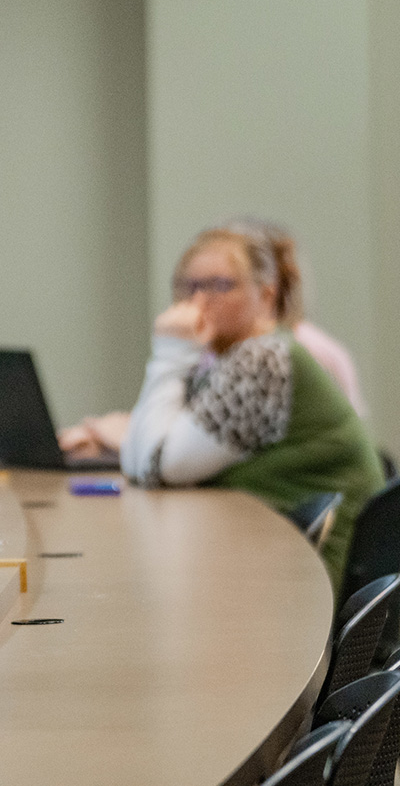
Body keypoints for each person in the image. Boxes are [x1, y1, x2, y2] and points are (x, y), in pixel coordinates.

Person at [94, 225, 383, 592]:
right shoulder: (235, 357)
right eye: (188, 287)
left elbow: (157, 468)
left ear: (265, 295)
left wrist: (170, 352)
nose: (198, 302)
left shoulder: (264, 358)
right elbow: (146, 463)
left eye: (220, 285)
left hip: (312, 583)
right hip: (282, 562)